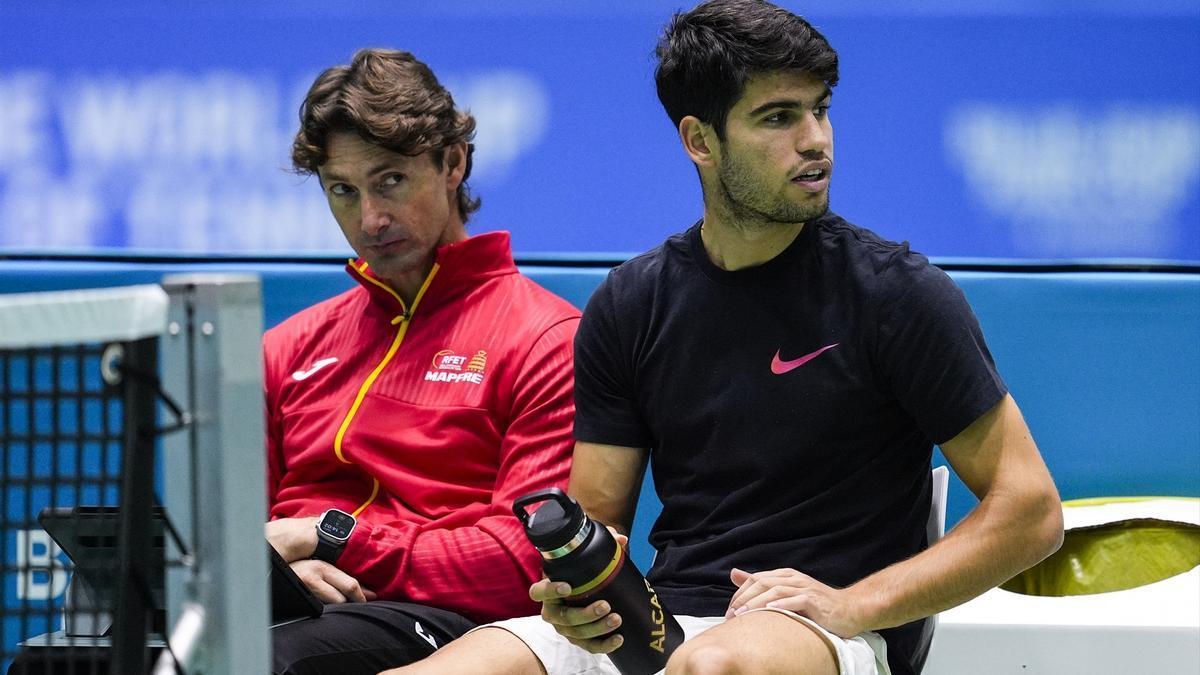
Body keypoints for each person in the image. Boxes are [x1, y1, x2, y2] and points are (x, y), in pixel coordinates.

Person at [387, 1, 1063, 674]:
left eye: (820, 108)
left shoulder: (897, 293)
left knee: (711, 668)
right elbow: (599, 528)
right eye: (778, 117)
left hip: (828, 628)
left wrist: (854, 603)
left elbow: (1031, 510)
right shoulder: (630, 303)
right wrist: (576, 598)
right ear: (700, 140)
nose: (816, 140)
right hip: (662, 623)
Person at [262, 48, 580, 674]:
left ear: (453, 163)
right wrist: (283, 565)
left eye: (390, 181)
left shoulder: (547, 337)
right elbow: (230, 537)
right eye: (342, 192)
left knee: (252, 661)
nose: (370, 219)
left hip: (450, 622)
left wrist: (334, 536)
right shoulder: (287, 348)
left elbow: (525, 561)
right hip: (295, 605)